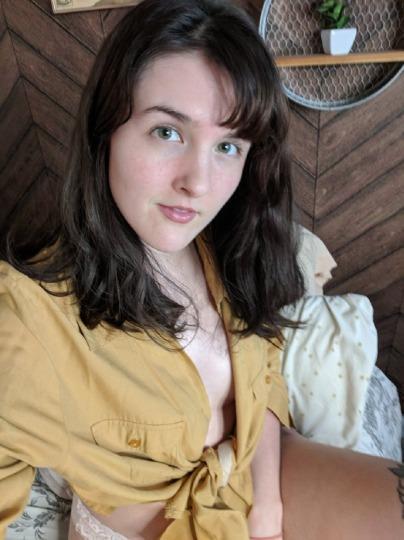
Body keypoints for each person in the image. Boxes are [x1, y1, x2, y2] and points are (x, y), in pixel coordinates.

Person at [0, 1, 403, 540]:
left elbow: (262, 377)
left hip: (258, 466)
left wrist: (267, 514)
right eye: (168, 132)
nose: (199, 183)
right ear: (105, 130)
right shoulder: (27, 317)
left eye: (228, 146)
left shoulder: (226, 248)